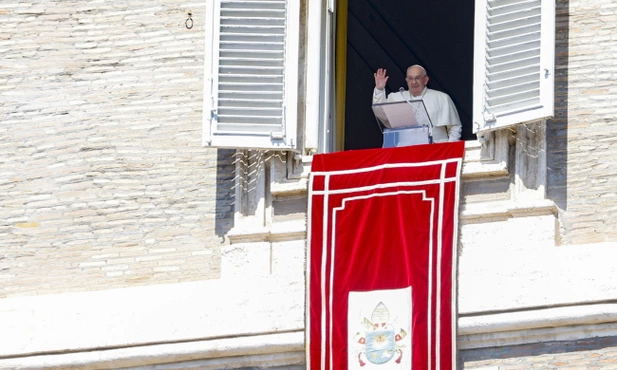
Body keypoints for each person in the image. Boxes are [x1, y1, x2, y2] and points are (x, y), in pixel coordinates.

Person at [373, 65, 462, 142]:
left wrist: (450, 148)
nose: (414, 82)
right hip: (405, 150)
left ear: (426, 80)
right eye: (410, 78)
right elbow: (381, 113)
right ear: (406, 80)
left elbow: (454, 127)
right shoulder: (397, 97)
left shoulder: (442, 97)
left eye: (417, 78)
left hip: (436, 150)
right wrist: (379, 90)